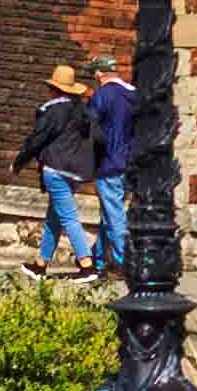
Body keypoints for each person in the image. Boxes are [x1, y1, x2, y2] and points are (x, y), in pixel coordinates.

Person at [16, 64, 101, 274]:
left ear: (54, 89)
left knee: (68, 217)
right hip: (74, 171)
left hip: (55, 169)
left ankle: (86, 265)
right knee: (54, 217)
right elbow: (97, 138)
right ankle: (41, 264)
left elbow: (38, 139)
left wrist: (19, 161)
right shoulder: (83, 110)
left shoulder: (52, 111)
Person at [86, 58, 139, 275]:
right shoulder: (134, 94)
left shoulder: (103, 94)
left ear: (99, 73)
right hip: (131, 162)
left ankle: (126, 262)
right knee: (109, 212)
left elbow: (90, 126)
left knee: (114, 214)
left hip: (109, 162)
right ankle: (98, 260)